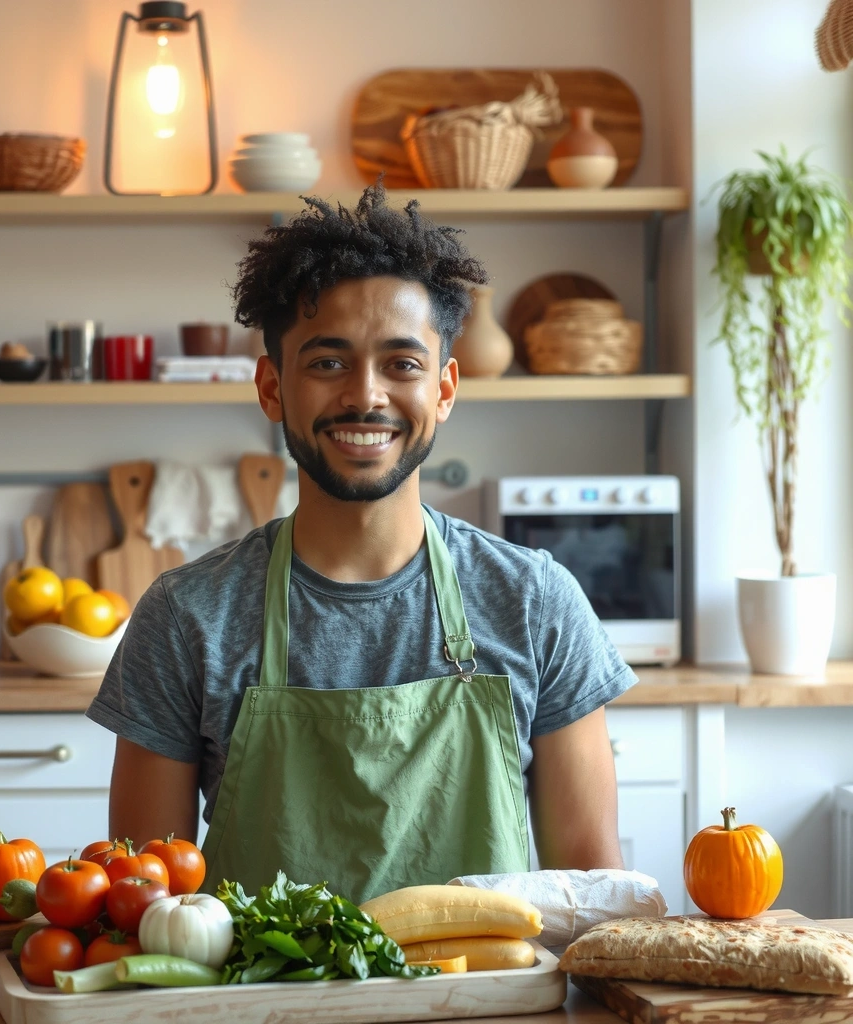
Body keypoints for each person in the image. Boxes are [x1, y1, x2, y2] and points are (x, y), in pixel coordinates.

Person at [86, 182, 636, 904]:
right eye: (327, 362)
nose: (366, 395)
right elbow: (144, 911)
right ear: (272, 387)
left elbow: (591, 900)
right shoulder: (188, 615)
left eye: (402, 365)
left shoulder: (534, 602)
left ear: (444, 390)